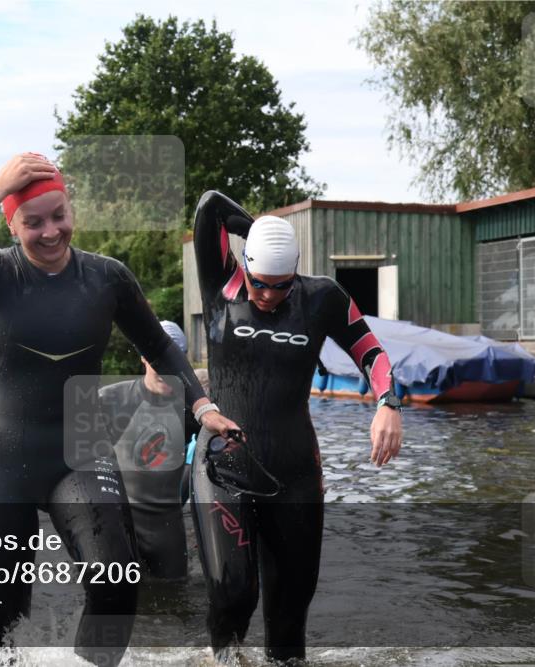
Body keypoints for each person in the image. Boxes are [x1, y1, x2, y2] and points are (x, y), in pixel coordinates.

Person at [0, 153, 240, 667]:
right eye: (33, 222)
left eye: (58, 215)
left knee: (116, 583)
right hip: (3, 452)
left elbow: (159, 344)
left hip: (80, 442)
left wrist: (202, 405)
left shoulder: (106, 278)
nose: (50, 232)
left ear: (72, 210)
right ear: (12, 222)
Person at [190, 190, 404, 663]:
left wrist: (388, 403)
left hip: (293, 471)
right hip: (222, 467)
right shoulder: (220, 284)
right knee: (233, 593)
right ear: (244, 266)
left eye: (280, 286)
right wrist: (261, 228)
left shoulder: (322, 297)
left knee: (289, 618)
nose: (267, 296)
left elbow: (372, 352)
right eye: (259, 282)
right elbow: (210, 206)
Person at [97, 321, 201, 580]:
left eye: (174, 359)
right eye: (159, 359)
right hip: (119, 527)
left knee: (176, 600)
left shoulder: (194, 411)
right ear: (144, 357)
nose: (167, 368)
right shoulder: (110, 399)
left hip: (167, 532)